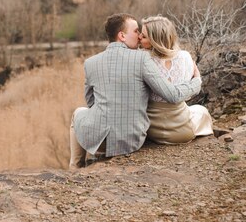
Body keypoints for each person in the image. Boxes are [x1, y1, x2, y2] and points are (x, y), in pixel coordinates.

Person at [69, 13, 202, 169]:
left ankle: (75, 167)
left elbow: (91, 103)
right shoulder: (142, 59)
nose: (139, 36)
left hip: (100, 142)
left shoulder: (90, 63)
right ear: (122, 36)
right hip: (132, 141)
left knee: (78, 113)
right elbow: (171, 94)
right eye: (136, 31)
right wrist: (196, 81)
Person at [139, 16, 214, 144]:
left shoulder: (141, 59)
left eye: (144, 36)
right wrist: (197, 81)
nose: (139, 37)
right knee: (201, 111)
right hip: (182, 130)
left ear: (155, 41)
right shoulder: (185, 57)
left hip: (151, 129)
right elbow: (186, 97)